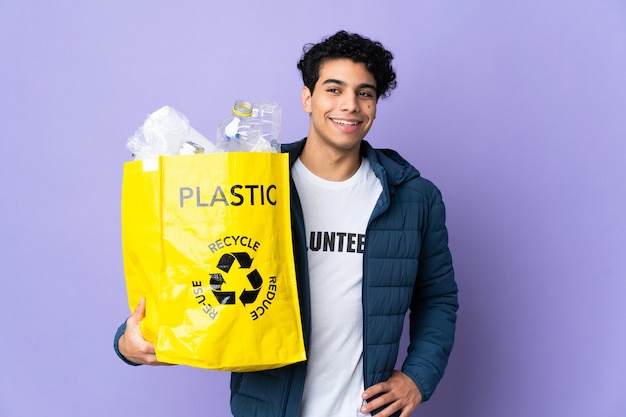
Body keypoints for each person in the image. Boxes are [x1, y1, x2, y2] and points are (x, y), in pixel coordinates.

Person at [114, 30, 458, 417]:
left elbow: (437, 297)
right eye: (334, 89)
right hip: (268, 407)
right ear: (307, 98)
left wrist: (419, 376)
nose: (350, 105)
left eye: (365, 93)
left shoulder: (412, 196)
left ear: (375, 105)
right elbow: (186, 268)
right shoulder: (252, 182)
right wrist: (127, 344)